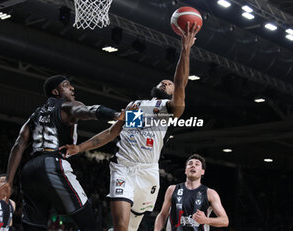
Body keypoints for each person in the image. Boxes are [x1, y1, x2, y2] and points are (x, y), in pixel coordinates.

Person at [62, 22, 199, 231]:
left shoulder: (168, 110)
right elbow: (112, 133)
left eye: (168, 84)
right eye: (162, 82)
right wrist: (79, 148)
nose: (165, 83)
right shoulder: (135, 106)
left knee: (133, 226)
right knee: (121, 228)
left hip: (148, 172)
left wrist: (185, 50)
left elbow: (180, 82)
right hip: (123, 167)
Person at [0, 75, 124, 231]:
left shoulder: (35, 115)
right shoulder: (67, 106)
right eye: (66, 85)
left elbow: (18, 146)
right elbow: (88, 110)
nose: (72, 88)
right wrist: (114, 115)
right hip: (52, 163)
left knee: (34, 226)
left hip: (29, 171)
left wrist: (9, 182)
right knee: (87, 220)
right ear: (55, 91)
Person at [154, 154, 229, 230]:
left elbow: (224, 220)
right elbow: (163, 214)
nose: (193, 166)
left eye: (197, 164)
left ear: (202, 172)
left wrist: (206, 220)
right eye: (190, 164)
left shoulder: (210, 193)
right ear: (186, 170)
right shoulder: (172, 189)